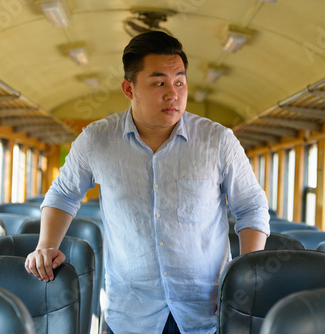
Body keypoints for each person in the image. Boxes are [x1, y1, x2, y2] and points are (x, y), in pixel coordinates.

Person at [25, 31, 270, 334]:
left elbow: (251, 207)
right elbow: (63, 194)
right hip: (131, 313)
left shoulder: (217, 141)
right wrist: (46, 246)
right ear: (129, 88)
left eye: (180, 82)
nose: (173, 93)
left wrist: (244, 279)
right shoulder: (97, 140)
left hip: (205, 312)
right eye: (159, 83)